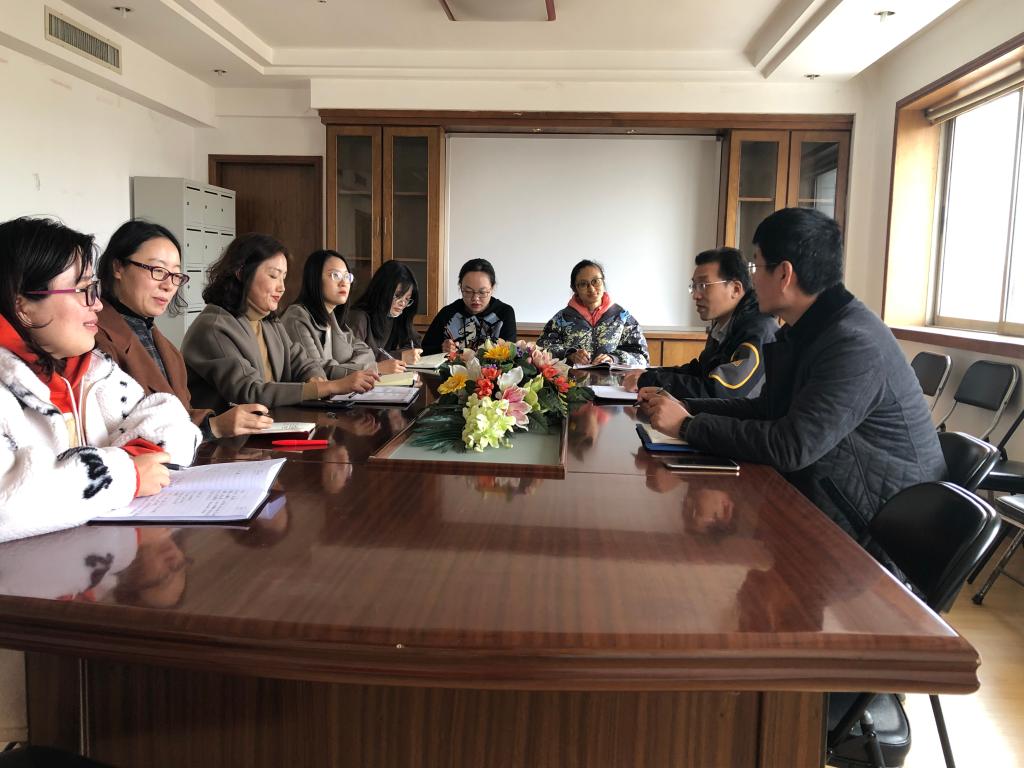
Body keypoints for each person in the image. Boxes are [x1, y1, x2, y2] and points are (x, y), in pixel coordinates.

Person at [639, 208, 945, 545]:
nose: (752, 280)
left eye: (756, 267)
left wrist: (687, 426)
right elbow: (767, 409)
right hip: (831, 504)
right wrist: (687, 406)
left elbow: (791, 445)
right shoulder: (809, 330)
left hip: (879, 534)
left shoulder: (854, 343)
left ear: (784, 274)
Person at [0, 217, 201, 543]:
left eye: (93, 288)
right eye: (82, 290)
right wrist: (128, 475)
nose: (96, 303)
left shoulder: (90, 369)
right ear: (22, 305)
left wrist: (133, 461)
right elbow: (9, 502)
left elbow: (169, 417)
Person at [95, 220, 273, 439]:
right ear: (118, 267)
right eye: (157, 270)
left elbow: (182, 414)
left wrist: (214, 422)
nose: (168, 285)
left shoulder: (163, 345)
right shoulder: (95, 340)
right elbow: (121, 432)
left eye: (175, 275)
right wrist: (213, 426)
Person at [182, 233, 377, 411]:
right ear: (241, 273)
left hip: (270, 426)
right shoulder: (214, 327)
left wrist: (314, 377)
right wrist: (328, 387)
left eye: (283, 277)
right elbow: (250, 391)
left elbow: (301, 361)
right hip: (227, 437)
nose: (282, 287)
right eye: (273, 276)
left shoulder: (268, 321)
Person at [622, 247, 777, 398]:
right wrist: (649, 373)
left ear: (735, 289)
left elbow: (720, 391)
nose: (695, 295)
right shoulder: (723, 325)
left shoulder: (760, 330)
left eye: (703, 286)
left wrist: (650, 380)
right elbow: (700, 371)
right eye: (694, 286)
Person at [281, 249, 380, 378]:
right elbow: (317, 370)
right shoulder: (296, 316)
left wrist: (344, 369)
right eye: (336, 275)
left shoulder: (333, 317)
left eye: (347, 276)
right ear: (315, 279)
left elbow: (367, 353)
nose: (344, 283)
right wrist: (370, 368)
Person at [537, 259, 648, 368]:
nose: (591, 288)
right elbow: (541, 350)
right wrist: (569, 354)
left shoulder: (622, 318)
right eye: (583, 284)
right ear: (575, 288)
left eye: (596, 281)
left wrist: (614, 358)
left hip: (614, 379)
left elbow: (642, 358)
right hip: (572, 379)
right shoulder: (561, 319)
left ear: (603, 281)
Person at [422, 258, 517, 354]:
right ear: (460, 287)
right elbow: (425, 351)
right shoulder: (447, 313)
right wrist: (442, 348)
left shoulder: (504, 313)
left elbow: (510, 354)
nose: (475, 298)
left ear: (492, 288)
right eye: (468, 291)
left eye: (482, 292)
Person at [347, 261, 422, 366]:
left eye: (407, 299)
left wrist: (409, 354)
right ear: (382, 290)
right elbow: (355, 359)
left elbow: (414, 343)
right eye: (397, 296)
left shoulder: (396, 315)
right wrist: (399, 356)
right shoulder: (359, 317)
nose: (402, 304)